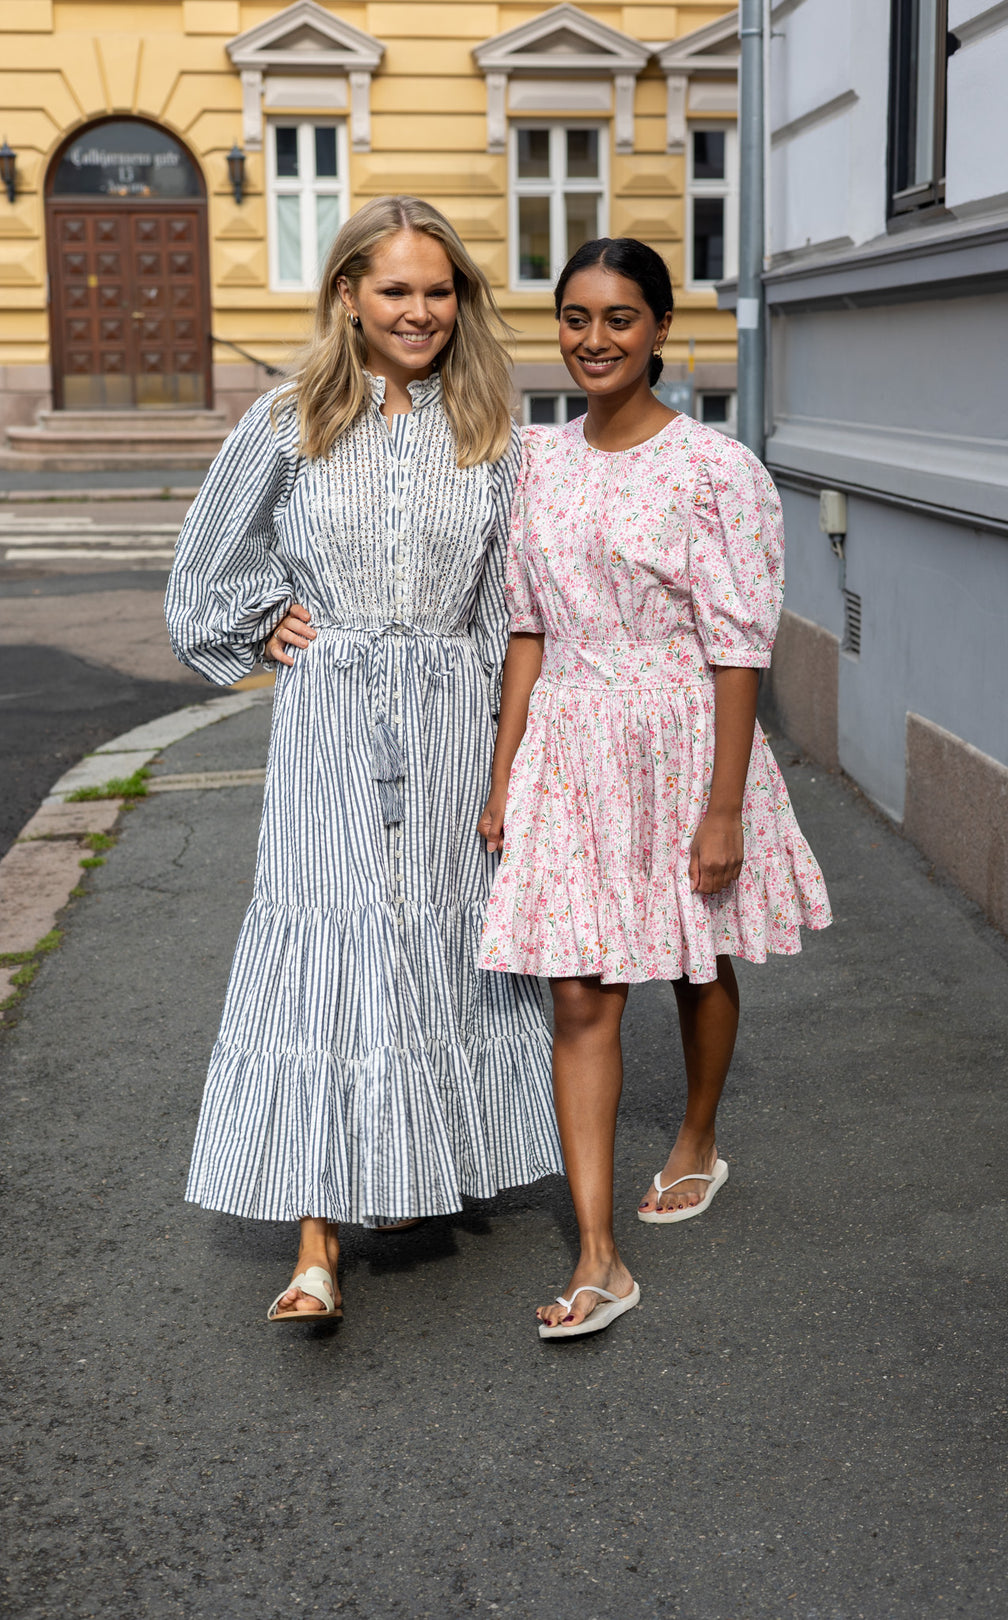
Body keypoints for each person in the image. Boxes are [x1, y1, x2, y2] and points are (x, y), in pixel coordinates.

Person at [166, 195, 562, 1322]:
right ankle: (313, 1246)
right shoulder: (289, 418)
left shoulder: (492, 426)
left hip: (452, 717)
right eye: (395, 289)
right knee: (329, 948)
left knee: (434, 941)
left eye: (438, 291)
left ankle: (408, 1169)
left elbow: (507, 611)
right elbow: (203, 574)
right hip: (331, 719)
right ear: (348, 294)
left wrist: (508, 764)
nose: (420, 311)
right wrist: (264, 621)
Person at [477, 238, 832, 1340]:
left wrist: (724, 804)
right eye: (577, 318)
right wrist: (503, 776)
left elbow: (739, 646)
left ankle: (696, 1139)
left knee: (691, 956)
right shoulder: (535, 461)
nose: (595, 339)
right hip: (572, 745)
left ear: (662, 331)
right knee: (580, 992)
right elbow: (527, 624)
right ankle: (598, 1255)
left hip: (682, 741)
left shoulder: (714, 468)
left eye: (620, 318)